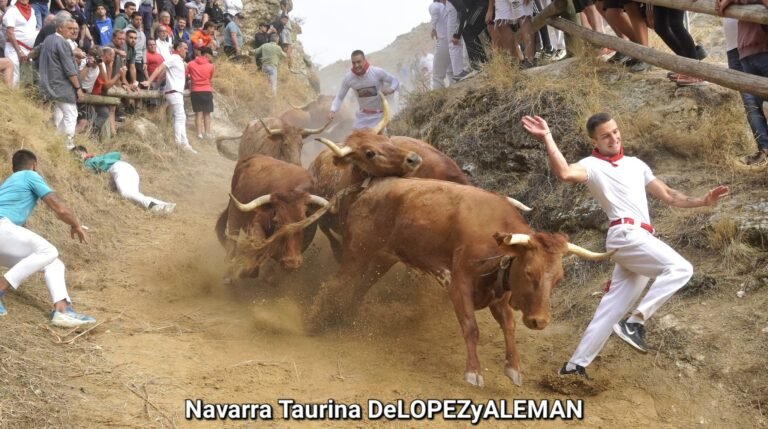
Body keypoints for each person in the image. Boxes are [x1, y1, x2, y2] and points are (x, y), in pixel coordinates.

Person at [521, 113, 729, 379]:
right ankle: (636, 323)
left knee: (611, 308)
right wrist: (548, 137)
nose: (613, 138)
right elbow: (563, 172)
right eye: (606, 135)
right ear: (594, 140)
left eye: (615, 131)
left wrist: (703, 201)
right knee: (681, 268)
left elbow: (669, 196)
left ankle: (574, 366)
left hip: (640, 240)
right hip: (625, 234)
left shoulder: (636, 164)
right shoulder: (591, 165)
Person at [0, 150, 95, 327]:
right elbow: (59, 208)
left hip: (4, 236)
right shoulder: (29, 175)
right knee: (48, 250)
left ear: (14, 168)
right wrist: (76, 224)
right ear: (34, 165)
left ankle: (62, 311)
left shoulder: (8, 183)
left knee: (54, 263)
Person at [717, 0, 768, 166]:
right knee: (752, 105)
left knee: (754, 104)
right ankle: (764, 150)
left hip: (759, 46)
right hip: (744, 48)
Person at [72, 146, 176, 213]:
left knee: (126, 193)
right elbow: (117, 154)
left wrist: (93, 159)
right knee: (133, 194)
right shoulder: (99, 158)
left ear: (83, 153)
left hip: (119, 169)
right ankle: (164, 206)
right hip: (128, 168)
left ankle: (156, 207)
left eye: (78, 154)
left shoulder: (88, 161)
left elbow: (87, 171)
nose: (77, 158)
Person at [142, 40, 198, 154]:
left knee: (181, 117)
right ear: (178, 48)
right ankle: (179, 143)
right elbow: (159, 68)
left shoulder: (179, 60)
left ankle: (184, 142)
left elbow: (163, 74)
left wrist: (157, 83)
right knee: (180, 117)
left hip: (176, 92)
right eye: (185, 48)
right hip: (174, 91)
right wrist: (149, 81)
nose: (187, 50)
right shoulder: (173, 58)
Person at [39, 13, 83, 150]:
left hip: (47, 84)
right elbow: (69, 69)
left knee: (60, 114)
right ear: (59, 28)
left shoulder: (48, 39)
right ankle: (68, 146)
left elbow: (36, 51)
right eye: (69, 28)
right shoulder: (62, 43)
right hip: (61, 86)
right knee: (71, 114)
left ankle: (56, 142)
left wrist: (27, 56)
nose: (72, 31)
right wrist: (78, 88)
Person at [328, 50, 399, 129]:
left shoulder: (377, 72)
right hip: (363, 117)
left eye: (359, 62)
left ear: (365, 61)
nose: (356, 65)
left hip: (381, 115)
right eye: (354, 63)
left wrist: (391, 89)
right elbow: (339, 97)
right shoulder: (348, 78)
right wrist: (333, 110)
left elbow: (394, 80)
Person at [3, 0, 38, 87]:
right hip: (14, 49)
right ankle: (12, 98)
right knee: (15, 76)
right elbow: (10, 32)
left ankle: (24, 99)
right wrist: (19, 51)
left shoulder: (32, 10)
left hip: (28, 50)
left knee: (27, 78)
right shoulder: (12, 11)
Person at [187, 45, 213, 139]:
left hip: (195, 91)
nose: (211, 57)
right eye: (210, 55)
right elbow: (210, 78)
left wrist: (192, 78)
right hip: (206, 90)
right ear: (206, 54)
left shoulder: (190, 64)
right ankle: (208, 133)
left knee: (198, 113)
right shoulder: (211, 66)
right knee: (207, 113)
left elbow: (187, 75)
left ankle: (199, 134)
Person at [430, 0, 454, 89]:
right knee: (451, 70)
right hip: (453, 41)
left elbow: (435, 9)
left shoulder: (434, 5)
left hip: (442, 42)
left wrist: (433, 28)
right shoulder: (448, 5)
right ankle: (455, 88)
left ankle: (438, 96)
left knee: (437, 76)